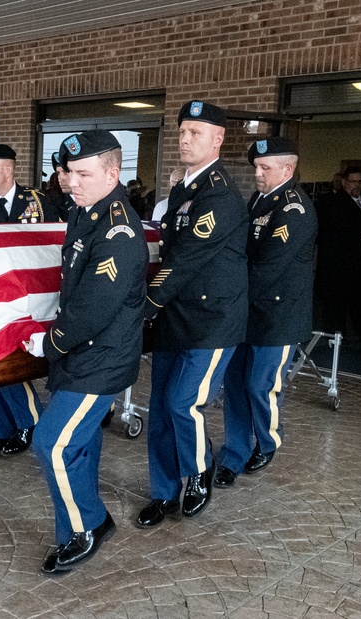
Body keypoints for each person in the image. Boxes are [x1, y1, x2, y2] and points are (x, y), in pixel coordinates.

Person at [23, 130, 147, 575]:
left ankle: (89, 525)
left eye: (83, 173)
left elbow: (94, 306)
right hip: (83, 355)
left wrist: (49, 343)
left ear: (113, 174)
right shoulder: (86, 212)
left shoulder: (117, 230)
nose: (71, 182)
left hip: (101, 359)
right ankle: (74, 525)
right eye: (69, 172)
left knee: (52, 443)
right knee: (81, 444)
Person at [137, 101, 248, 528]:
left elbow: (184, 259)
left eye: (195, 133)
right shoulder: (183, 190)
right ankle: (163, 492)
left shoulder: (218, 191)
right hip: (176, 317)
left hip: (211, 321)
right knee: (162, 409)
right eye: (182, 131)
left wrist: (145, 305)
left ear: (217, 139)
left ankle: (198, 472)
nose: (185, 139)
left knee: (185, 404)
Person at [214, 137, 318, 489]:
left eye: (265, 168)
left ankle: (269, 441)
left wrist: (227, 296)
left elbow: (267, 267)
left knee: (261, 386)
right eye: (256, 167)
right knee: (236, 386)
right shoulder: (261, 199)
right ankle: (234, 452)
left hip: (277, 316)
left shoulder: (294, 209)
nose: (257, 173)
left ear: (287, 169)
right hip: (247, 311)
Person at [0, 143, 53, 456]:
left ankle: (30, 422)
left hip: (32, 298)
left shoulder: (39, 200)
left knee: (14, 362)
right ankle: (3, 431)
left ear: (8, 168)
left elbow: (53, 246)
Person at [316, 166, 361, 339]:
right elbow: (339, 226)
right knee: (337, 302)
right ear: (344, 182)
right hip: (340, 263)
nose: (356, 185)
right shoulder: (332, 202)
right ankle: (337, 336)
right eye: (352, 181)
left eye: (360, 181)